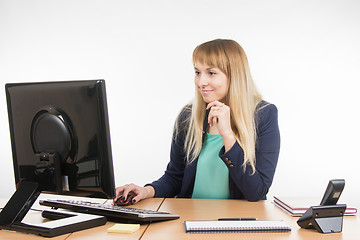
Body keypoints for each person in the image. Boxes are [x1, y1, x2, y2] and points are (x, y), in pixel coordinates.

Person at [115, 39, 280, 204]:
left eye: (211, 73)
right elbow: (175, 177)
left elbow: (256, 191)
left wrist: (228, 135)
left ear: (234, 75)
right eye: (197, 72)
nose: (201, 82)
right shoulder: (188, 116)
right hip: (189, 218)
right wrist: (146, 191)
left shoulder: (263, 115)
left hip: (237, 222)